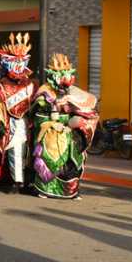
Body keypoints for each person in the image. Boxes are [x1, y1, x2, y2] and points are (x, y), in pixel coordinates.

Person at [31, 54, 99, 199]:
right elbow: (38, 118)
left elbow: (86, 105)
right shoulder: (44, 93)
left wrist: (76, 118)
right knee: (51, 159)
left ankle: (72, 191)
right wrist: (55, 122)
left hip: (69, 133)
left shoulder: (71, 92)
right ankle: (45, 189)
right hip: (50, 133)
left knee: (74, 161)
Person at [0, 33, 37, 194]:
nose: (19, 65)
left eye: (21, 61)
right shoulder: (0, 85)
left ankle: (22, 179)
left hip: (25, 123)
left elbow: (34, 102)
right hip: (8, 123)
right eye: (15, 61)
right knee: (10, 151)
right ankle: (14, 180)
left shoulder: (30, 84)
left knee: (24, 152)